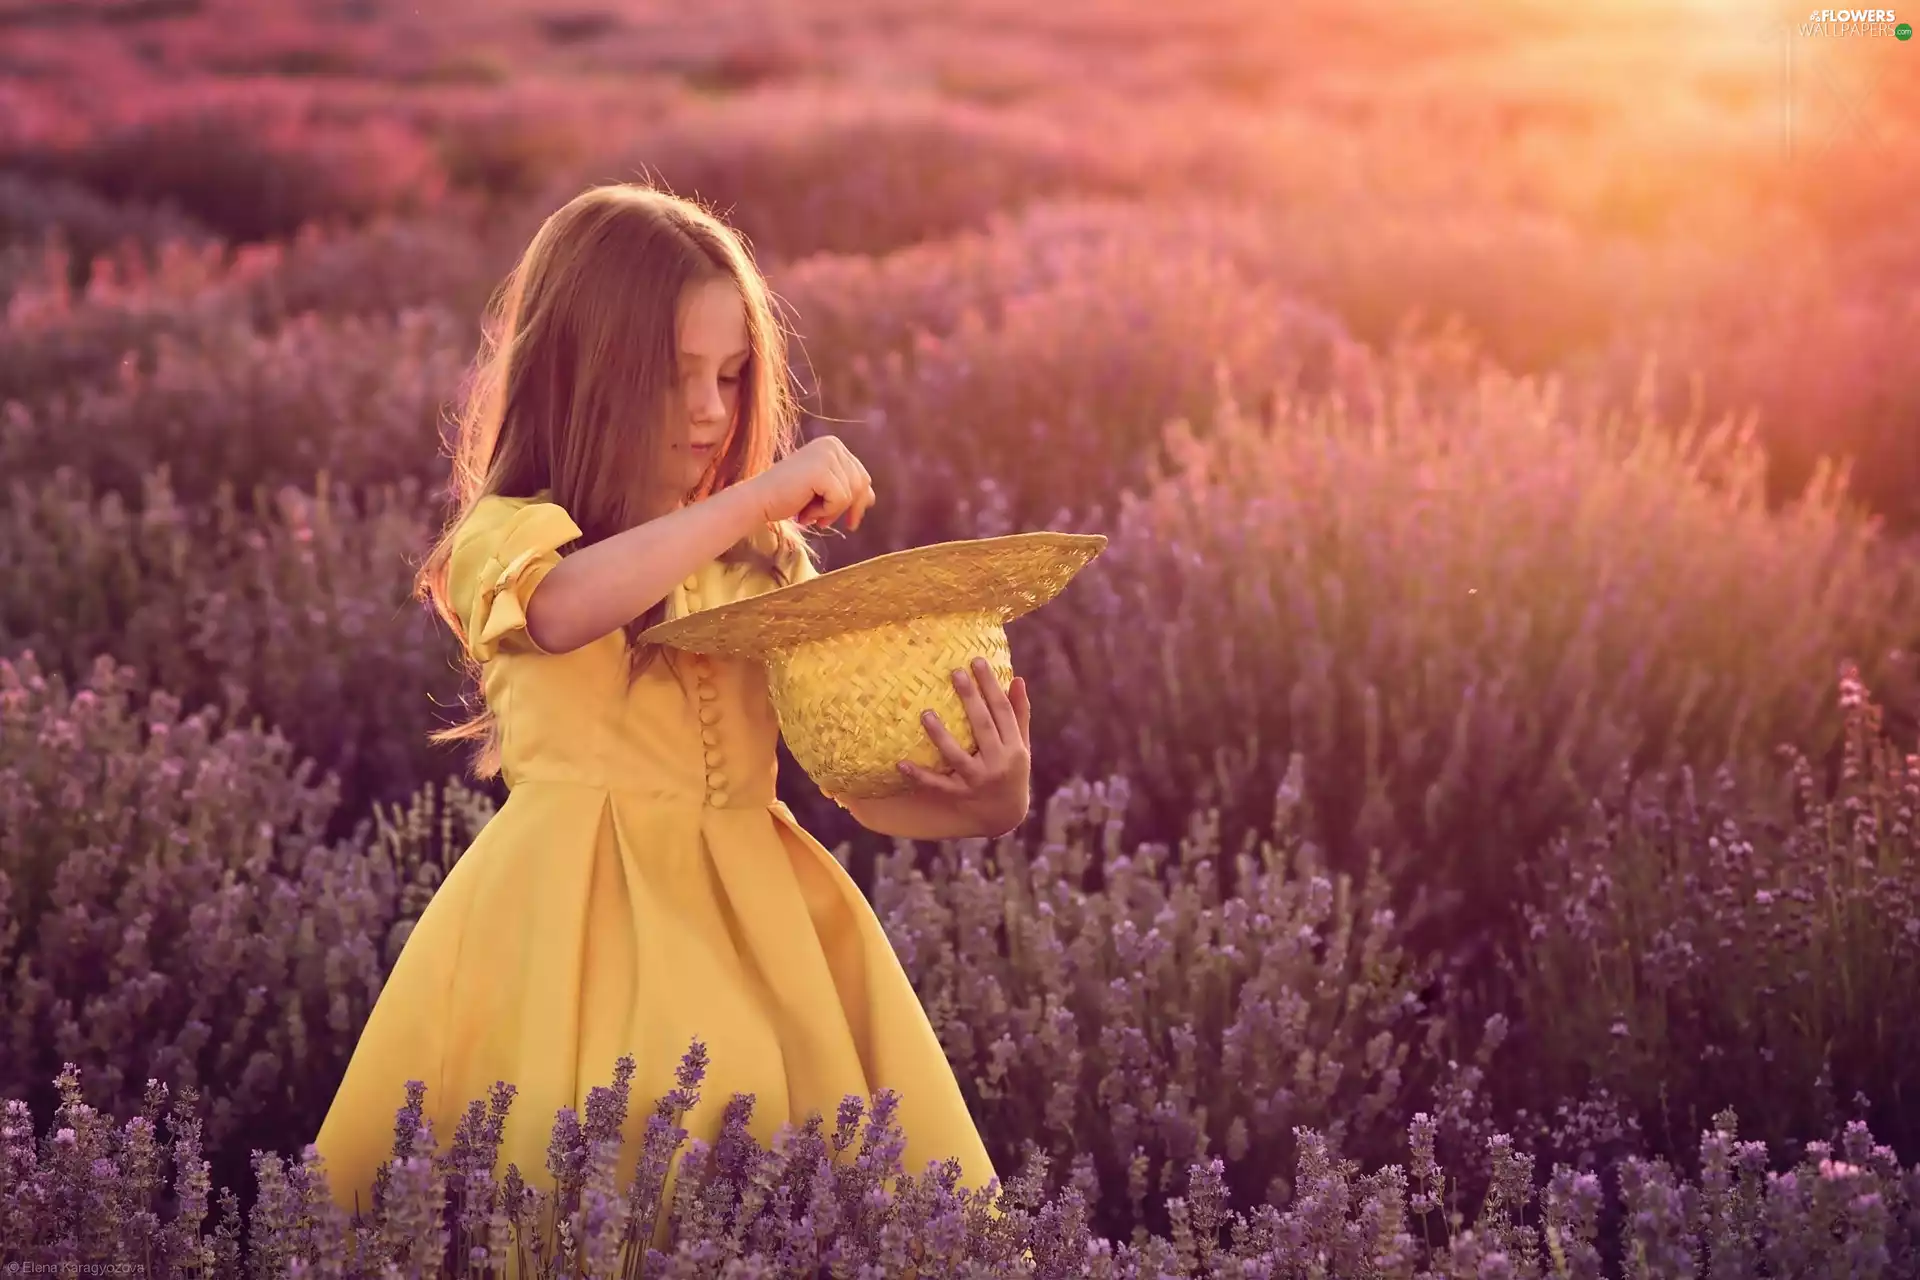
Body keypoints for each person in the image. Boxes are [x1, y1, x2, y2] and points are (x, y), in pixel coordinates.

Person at [314, 182, 1022, 1232]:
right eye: (674, 375)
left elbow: (852, 782)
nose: (710, 411)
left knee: (779, 1193)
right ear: (578, 374)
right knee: (580, 1191)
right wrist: (757, 495)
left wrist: (984, 801)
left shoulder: (757, 561)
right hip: (568, 933)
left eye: (731, 376)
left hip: (759, 926)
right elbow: (562, 612)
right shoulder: (509, 537)